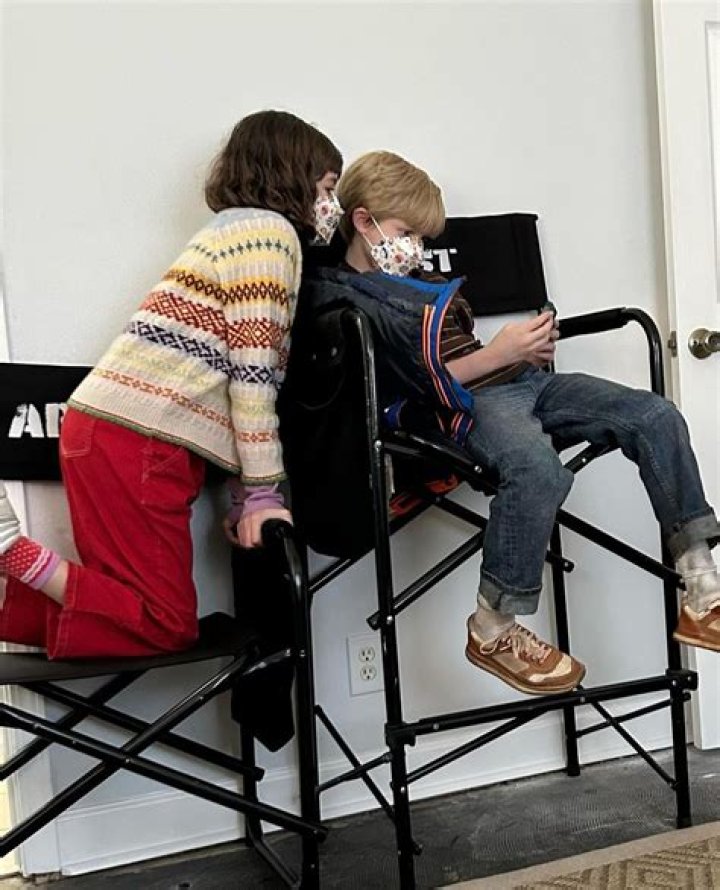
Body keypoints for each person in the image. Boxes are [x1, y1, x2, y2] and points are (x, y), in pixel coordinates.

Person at [300, 150, 720, 696]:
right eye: (408, 233)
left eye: (424, 238)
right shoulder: (342, 296)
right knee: (536, 469)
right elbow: (412, 387)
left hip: (520, 382)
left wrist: (525, 349)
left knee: (654, 414)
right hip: (465, 404)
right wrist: (500, 353)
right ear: (363, 221)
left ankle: (702, 588)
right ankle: (492, 627)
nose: (417, 248)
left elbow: (474, 352)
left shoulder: (410, 280)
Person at [0, 110, 343, 659]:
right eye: (327, 188)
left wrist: (243, 491)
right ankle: (11, 555)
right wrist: (261, 492)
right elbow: (253, 375)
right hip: (136, 443)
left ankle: (6, 601)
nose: (332, 206)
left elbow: (229, 366)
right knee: (166, 624)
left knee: (137, 612)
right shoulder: (269, 234)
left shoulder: (230, 230)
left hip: (109, 434)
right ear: (294, 176)